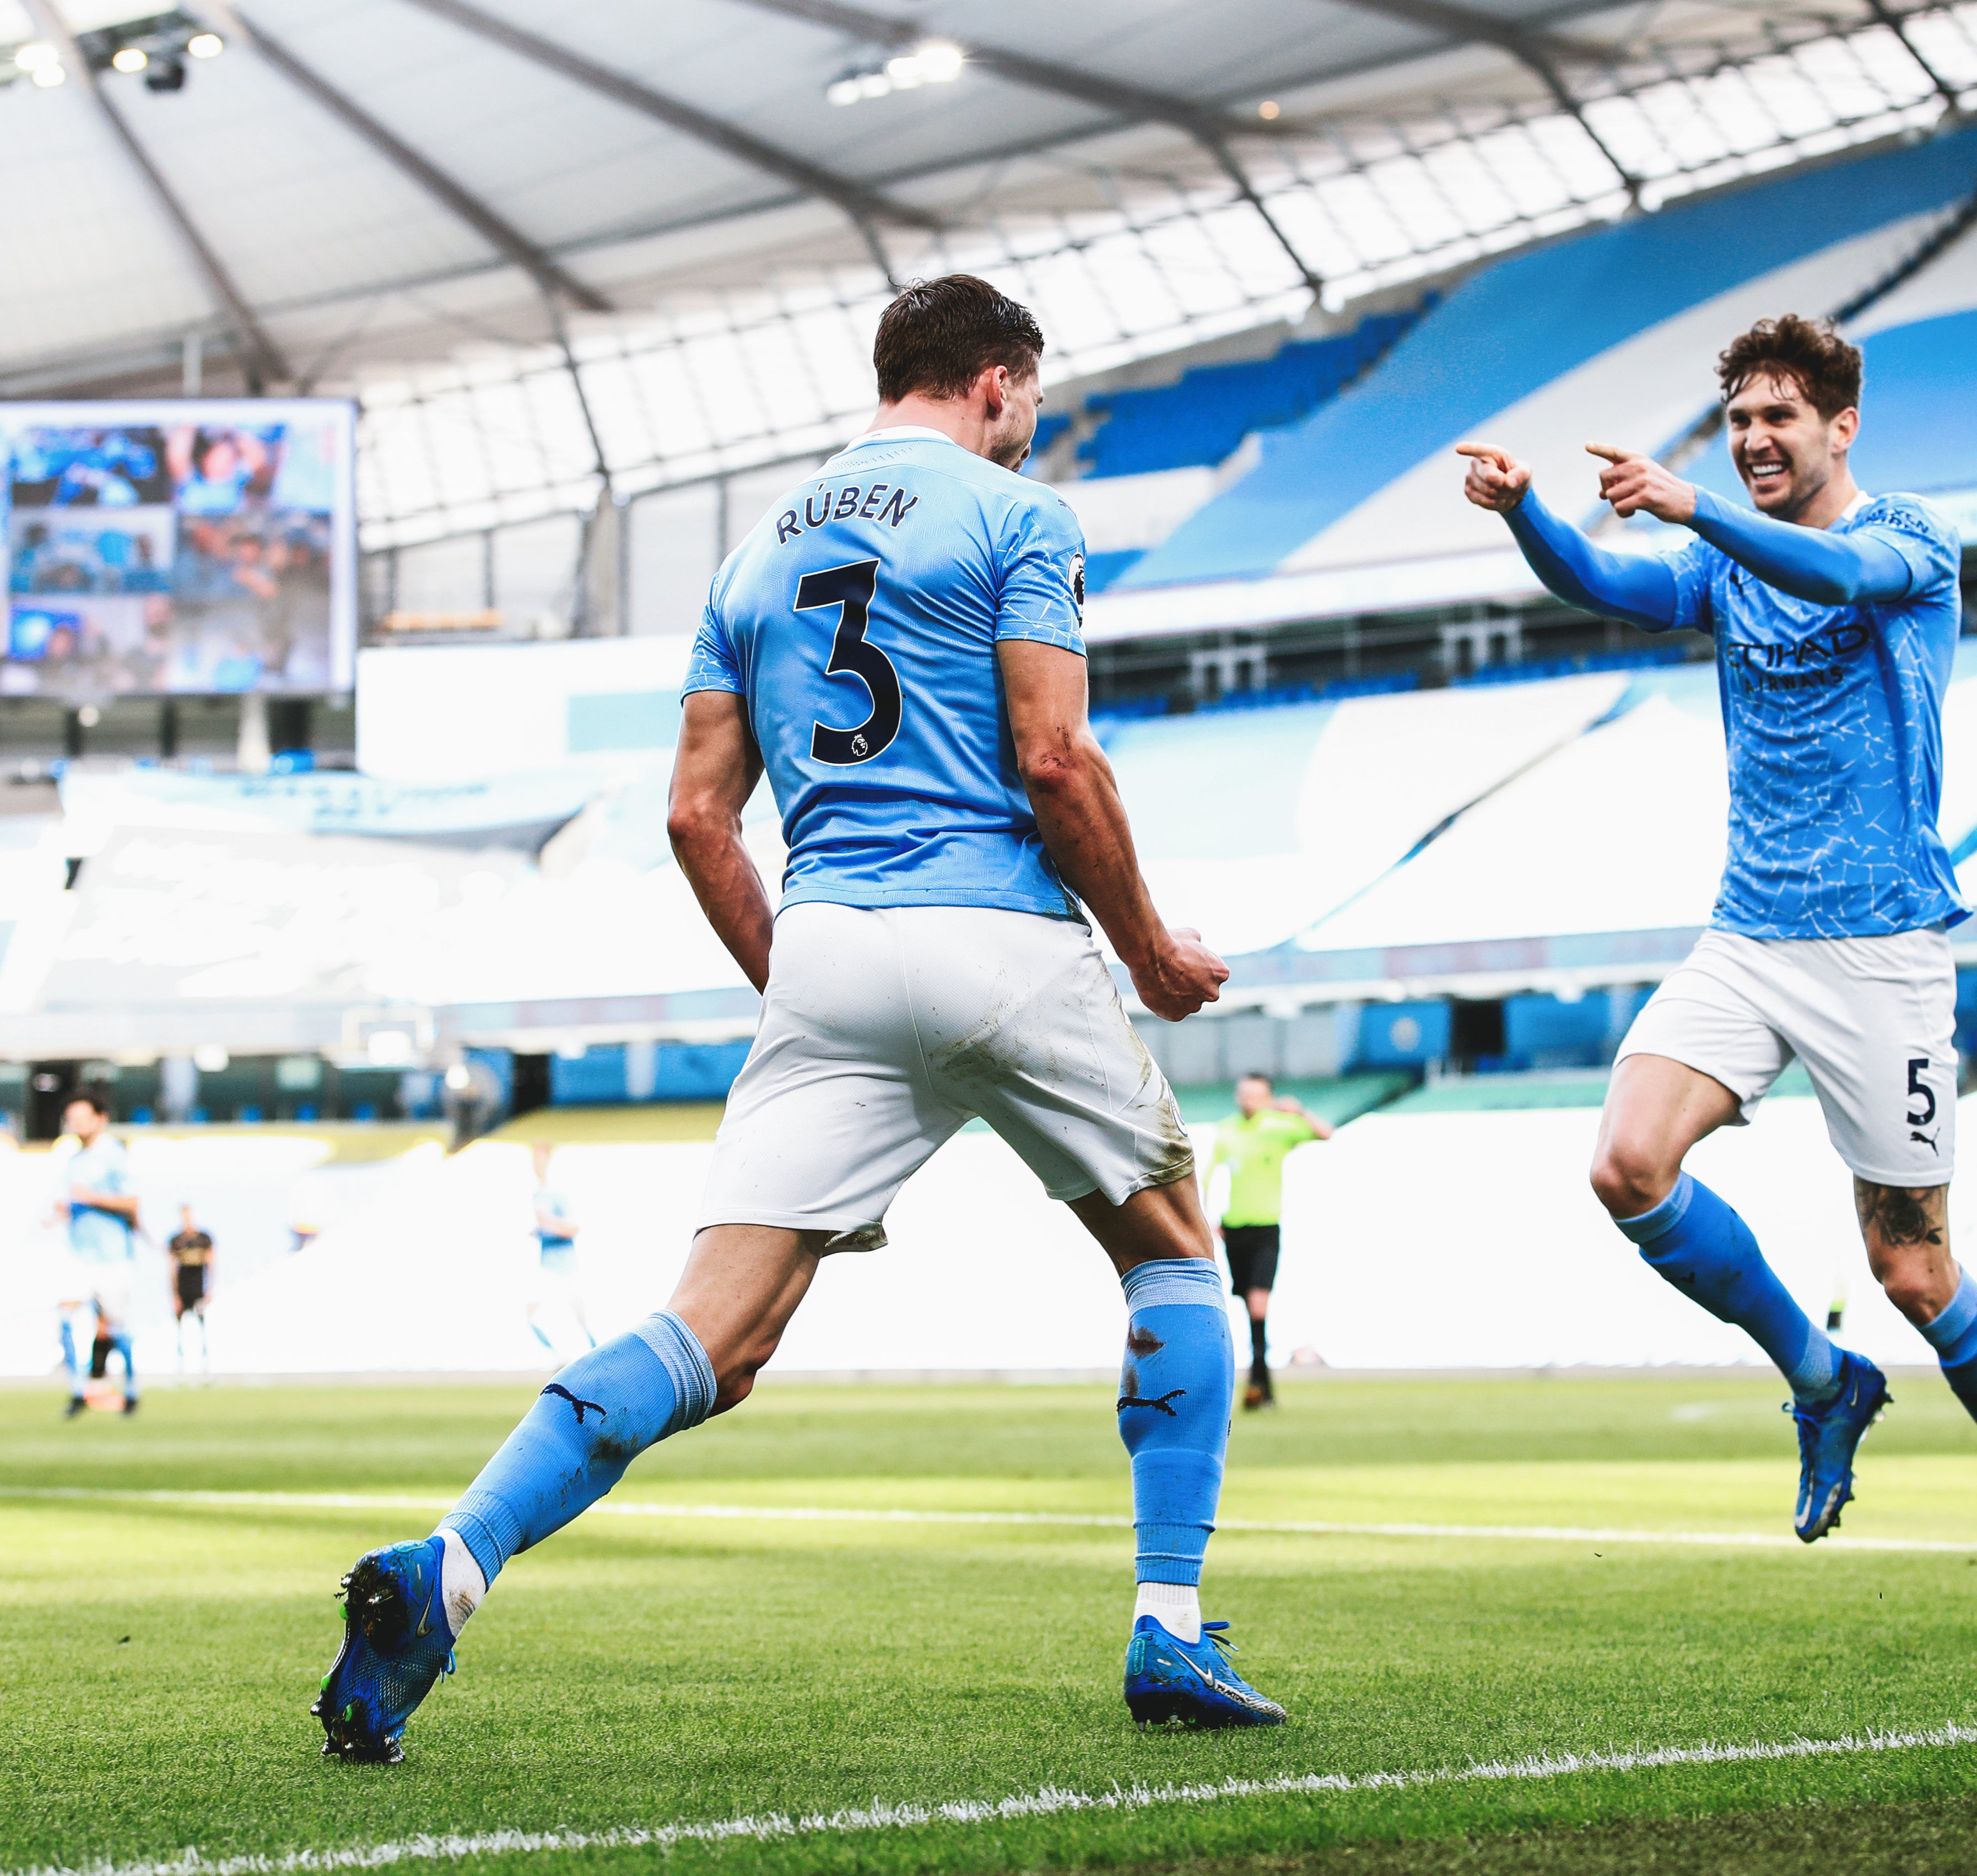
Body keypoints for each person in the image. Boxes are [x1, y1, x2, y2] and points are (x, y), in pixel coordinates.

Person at [314, 274, 1281, 1765]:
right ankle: (1167, 1619)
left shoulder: (751, 554)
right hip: (1002, 935)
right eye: (1022, 404)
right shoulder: (1015, 515)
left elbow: (700, 818)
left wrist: (814, 996)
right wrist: (1149, 948)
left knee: (715, 1333)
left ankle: (449, 1566)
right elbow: (1055, 757)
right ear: (997, 387)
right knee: (1170, 1253)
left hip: (825, 936)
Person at [1455, 313, 1977, 1643]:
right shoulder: (1720, 564)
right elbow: (1608, 586)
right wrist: (1528, 517)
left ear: (1841, 424)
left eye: (1778, 418)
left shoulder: (1909, 544)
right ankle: (1821, 1378)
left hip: (1882, 949)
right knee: (1626, 1164)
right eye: (1737, 422)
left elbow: (1837, 574)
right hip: (1748, 935)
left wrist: (1690, 504)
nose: (1753, 443)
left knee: (1914, 1273)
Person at [1207, 1073, 1332, 1408]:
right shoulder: (1227, 1131)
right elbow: (1210, 1178)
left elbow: (1325, 1133)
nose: (1248, 1100)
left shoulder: (1278, 1127)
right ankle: (1263, 1387)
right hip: (1234, 1229)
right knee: (1248, 1306)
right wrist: (1213, 1219)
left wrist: (1299, 1111)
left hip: (1265, 1228)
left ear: (1267, 1098)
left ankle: (1258, 1384)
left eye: (1255, 1095)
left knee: (1259, 1304)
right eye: (1244, 1093)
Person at [53, 1093, 141, 1418]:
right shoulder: (73, 1160)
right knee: (65, 1317)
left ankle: (132, 1390)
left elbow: (132, 1202)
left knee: (115, 1328)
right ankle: (79, 1391)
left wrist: (91, 1198)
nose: (75, 1124)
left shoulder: (115, 1155)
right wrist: (65, 1210)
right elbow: (76, 1200)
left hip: (113, 1257)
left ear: (100, 1118)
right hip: (79, 1255)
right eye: (71, 1117)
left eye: (82, 1117)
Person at [523, 1143, 596, 1359]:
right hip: (547, 1267)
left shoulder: (557, 1195)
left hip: (566, 1268)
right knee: (532, 1315)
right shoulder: (538, 1195)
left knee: (581, 1318)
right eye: (534, 1159)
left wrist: (547, 1225)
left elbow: (573, 1228)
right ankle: (557, 1357)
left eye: (540, 1158)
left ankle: (594, 1356)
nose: (536, 1164)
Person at [168, 1204, 214, 1376]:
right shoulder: (176, 1240)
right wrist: (174, 1294)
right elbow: (171, 1269)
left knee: (202, 1326)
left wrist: (209, 1289)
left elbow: (212, 1263)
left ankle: (205, 1367)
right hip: (183, 1289)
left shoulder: (204, 1239)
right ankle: (181, 1367)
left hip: (199, 1289)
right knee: (180, 1329)